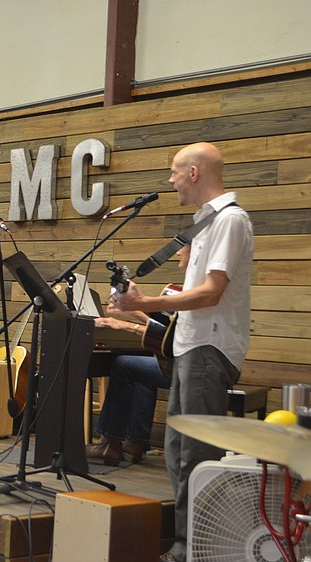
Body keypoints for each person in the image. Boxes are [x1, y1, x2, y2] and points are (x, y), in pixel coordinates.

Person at [112, 142, 253, 562]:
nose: (170, 180)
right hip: (192, 347)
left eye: (174, 172)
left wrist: (144, 303)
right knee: (177, 451)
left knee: (196, 454)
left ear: (194, 173)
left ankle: (192, 550)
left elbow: (211, 293)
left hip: (209, 349)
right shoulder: (206, 223)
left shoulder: (229, 220)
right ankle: (188, 545)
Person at [87, 247, 189, 465]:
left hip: (189, 366)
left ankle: (108, 443)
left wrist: (124, 324)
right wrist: (131, 311)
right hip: (186, 361)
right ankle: (135, 442)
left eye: (184, 247)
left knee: (125, 365)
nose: (178, 252)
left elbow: (172, 338)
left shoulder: (194, 292)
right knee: (139, 365)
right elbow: (168, 329)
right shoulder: (189, 289)